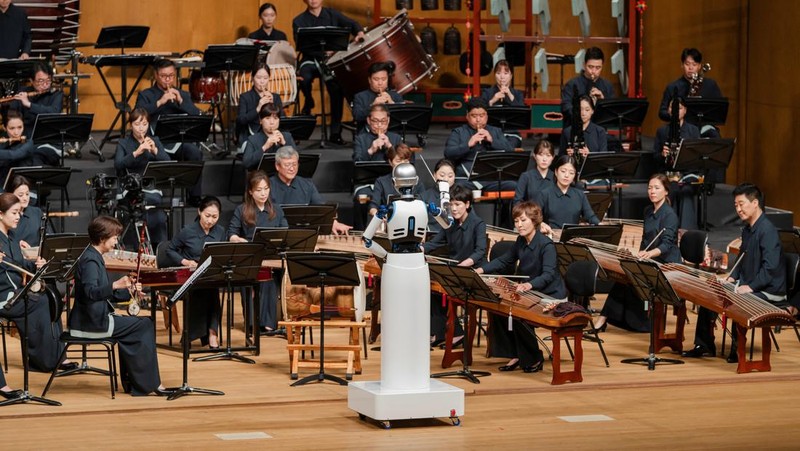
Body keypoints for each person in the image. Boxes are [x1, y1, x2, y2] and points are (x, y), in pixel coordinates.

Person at [69, 215, 173, 396]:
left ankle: (136, 383)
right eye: (114, 237)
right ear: (102, 237)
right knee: (145, 324)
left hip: (95, 317)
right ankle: (149, 385)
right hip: (91, 323)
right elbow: (91, 293)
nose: (117, 241)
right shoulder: (90, 260)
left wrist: (129, 290)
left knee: (139, 326)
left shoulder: (94, 256)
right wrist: (117, 284)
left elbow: (106, 294)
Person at [682, 183, 786, 363]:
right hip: (750, 284)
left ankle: (738, 350)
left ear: (755, 203)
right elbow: (742, 260)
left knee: (737, 299)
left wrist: (750, 287)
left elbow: (770, 269)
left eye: (741, 204)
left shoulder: (768, 231)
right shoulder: (747, 229)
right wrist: (731, 277)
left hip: (770, 290)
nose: (738, 209)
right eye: (735, 205)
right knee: (711, 292)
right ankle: (704, 345)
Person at [476, 201, 565, 373]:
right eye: (516, 221)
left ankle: (534, 358)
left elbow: (548, 275)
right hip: (530, 291)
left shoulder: (546, 245)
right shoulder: (521, 241)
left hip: (550, 294)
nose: (519, 225)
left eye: (523, 220)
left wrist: (528, 284)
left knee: (519, 314)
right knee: (499, 309)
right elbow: (504, 260)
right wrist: (480, 269)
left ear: (534, 220)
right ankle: (515, 354)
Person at [593, 174, 682, 332]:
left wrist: (648, 254)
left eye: (656, 188)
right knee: (624, 274)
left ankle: (612, 319)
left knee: (630, 275)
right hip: (648, 258)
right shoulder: (648, 211)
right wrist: (636, 254)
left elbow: (667, 244)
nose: (652, 191)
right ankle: (606, 318)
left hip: (665, 262)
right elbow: (645, 239)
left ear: (666, 191)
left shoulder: (670, 215)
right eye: (649, 188)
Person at [0, 192, 70, 377]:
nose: (18, 216)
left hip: (16, 292)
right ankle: (41, 360)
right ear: (0, 214)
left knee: (51, 296)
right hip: (4, 297)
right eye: (14, 213)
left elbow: (18, 265)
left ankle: (57, 356)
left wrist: (34, 265)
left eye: (19, 213)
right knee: (38, 302)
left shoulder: (11, 237)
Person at [292, 0, 365, 145]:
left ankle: (335, 133)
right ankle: (309, 100)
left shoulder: (333, 14)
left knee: (336, 88)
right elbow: (302, 45)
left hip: (331, 61)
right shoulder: (299, 20)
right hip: (310, 59)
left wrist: (360, 33)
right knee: (304, 78)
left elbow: (353, 23)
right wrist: (322, 51)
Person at [423, 184, 486, 345]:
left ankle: (454, 333)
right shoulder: (449, 223)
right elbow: (435, 243)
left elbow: (480, 251)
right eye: (451, 204)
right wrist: (418, 248)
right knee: (431, 290)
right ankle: (442, 333)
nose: (454, 208)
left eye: (457, 204)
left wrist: (463, 265)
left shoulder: (478, 223)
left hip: (472, 271)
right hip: (455, 270)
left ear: (467, 204)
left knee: (445, 290)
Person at [134, 59, 203, 204]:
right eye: (164, 76)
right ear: (156, 75)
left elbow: (196, 115)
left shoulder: (182, 94)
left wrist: (181, 102)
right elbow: (137, 115)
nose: (168, 79)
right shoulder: (146, 95)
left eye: (171, 76)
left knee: (194, 152)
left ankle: (194, 196)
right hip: (154, 140)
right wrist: (160, 102)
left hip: (177, 140)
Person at [228, 171, 287, 335]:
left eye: (266, 189)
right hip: (250, 257)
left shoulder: (277, 210)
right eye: (259, 190)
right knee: (256, 277)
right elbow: (232, 233)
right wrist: (238, 240)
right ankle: (253, 323)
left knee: (269, 278)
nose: (263, 193)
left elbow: (285, 232)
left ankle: (268, 324)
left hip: (271, 257)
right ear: (250, 192)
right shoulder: (242, 210)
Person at [165, 196, 225, 348]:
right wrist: (185, 261)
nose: (210, 220)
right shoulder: (188, 231)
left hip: (211, 275)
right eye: (207, 216)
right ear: (199, 211)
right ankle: (194, 334)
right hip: (191, 276)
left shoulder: (220, 231)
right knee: (206, 292)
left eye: (214, 217)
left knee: (212, 290)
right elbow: (170, 250)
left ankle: (212, 334)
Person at [113, 108, 170, 247]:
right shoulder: (123, 143)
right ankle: (143, 245)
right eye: (137, 124)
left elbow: (167, 162)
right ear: (131, 125)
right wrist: (137, 152)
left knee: (156, 207)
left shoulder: (154, 140)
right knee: (148, 202)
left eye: (144, 124)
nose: (141, 128)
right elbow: (118, 165)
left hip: (151, 186)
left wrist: (155, 151)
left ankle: (159, 247)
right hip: (131, 186)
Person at [270, 146, 352, 235]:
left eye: (294, 164)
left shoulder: (306, 184)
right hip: (276, 232)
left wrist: (333, 223)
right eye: (287, 165)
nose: (292, 169)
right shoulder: (268, 186)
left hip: (304, 233)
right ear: (277, 166)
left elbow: (320, 208)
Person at [653, 95, 702, 230]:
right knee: (672, 188)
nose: (675, 111)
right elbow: (655, 157)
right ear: (668, 111)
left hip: (687, 174)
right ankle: (669, 229)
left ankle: (686, 232)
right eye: (672, 108)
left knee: (686, 190)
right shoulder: (662, 131)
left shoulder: (693, 130)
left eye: (679, 108)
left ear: (685, 110)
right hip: (668, 174)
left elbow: (698, 156)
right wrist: (663, 155)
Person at [444, 98, 514, 186]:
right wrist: (468, 144)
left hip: (492, 178)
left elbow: (510, 151)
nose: (478, 120)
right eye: (474, 116)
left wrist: (492, 140)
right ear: (467, 116)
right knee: (458, 188)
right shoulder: (458, 132)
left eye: (481, 116)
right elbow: (448, 153)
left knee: (512, 185)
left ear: (487, 116)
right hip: (467, 178)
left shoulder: (496, 131)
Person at [658, 48, 723, 128]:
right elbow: (662, 112)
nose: (690, 68)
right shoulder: (672, 87)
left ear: (699, 66)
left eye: (694, 64)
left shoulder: (711, 85)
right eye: (687, 64)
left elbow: (720, 110)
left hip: (705, 128)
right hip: (680, 128)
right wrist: (675, 115)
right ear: (682, 65)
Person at [537, 155, 600, 232]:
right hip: (550, 237)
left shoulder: (580, 195)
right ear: (556, 172)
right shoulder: (545, 194)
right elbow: (534, 218)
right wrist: (541, 224)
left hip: (573, 238)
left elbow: (590, 216)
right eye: (563, 171)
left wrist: (600, 224)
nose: (566, 175)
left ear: (574, 176)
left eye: (571, 173)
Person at [560, 47, 615, 125]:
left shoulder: (607, 86)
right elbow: (566, 108)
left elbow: (613, 113)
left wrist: (602, 101)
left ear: (602, 66)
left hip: (600, 130)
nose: (593, 71)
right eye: (590, 67)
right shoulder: (572, 84)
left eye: (598, 68)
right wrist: (583, 113)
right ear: (584, 65)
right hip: (576, 128)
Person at [368, 144, 422, 218]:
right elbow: (373, 205)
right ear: (390, 162)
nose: (402, 164)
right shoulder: (381, 181)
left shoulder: (416, 180)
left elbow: (423, 202)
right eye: (398, 161)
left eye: (406, 161)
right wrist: (378, 215)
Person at [236, 64, 284, 148]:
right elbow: (241, 120)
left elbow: (282, 119)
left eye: (265, 78)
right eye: (258, 78)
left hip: (272, 134)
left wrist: (273, 105)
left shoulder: (275, 97)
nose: (262, 81)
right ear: (252, 78)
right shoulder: (245, 97)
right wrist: (258, 108)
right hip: (250, 136)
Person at [479, 59, 525, 147]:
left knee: (511, 145)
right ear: (494, 75)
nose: (502, 77)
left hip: (511, 133)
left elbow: (522, 115)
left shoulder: (517, 94)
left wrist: (510, 95)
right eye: (498, 73)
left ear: (511, 76)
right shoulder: (487, 92)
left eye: (505, 73)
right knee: (487, 144)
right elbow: (479, 112)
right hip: (491, 132)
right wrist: (492, 100)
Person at [242, 103, 295, 171]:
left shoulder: (287, 136)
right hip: (262, 177)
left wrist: (285, 144)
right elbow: (246, 163)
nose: (272, 122)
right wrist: (265, 147)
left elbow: (297, 160)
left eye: (275, 118)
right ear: (260, 120)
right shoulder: (253, 139)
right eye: (267, 118)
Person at [351, 62, 404, 130]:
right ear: (369, 80)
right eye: (376, 79)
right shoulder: (360, 97)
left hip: (392, 134)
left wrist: (392, 104)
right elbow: (357, 117)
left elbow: (403, 119)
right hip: (367, 136)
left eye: (384, 79)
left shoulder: (396, 96)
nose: (380, 83)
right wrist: (373, 106)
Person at [513, 140, 555, 206]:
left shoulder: (555, 177)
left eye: (548, 155)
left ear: (553, 157)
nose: (544, 159)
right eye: (541, 155)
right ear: (534, 156)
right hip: (530, 214)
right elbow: (517, 202)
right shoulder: (526, 177)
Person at [420, 158, 456, 233]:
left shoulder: (460, 195)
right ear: (434, 175)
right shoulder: (424, 197)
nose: (446, 179)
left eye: (450, 176)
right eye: (442, 175)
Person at [8, 175, 42, 249]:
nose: (25, 198)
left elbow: (46, 237)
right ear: (10, 195)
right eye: (20, 195)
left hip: (35, 256)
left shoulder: (36, 212)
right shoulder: (5, 214)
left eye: (27, 194)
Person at [0, 111, 33, 183]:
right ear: (4, 127)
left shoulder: (28, 143)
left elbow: (14, 154)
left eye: (20, 127)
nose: (16, 132)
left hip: (20, 185)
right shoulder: (2, 141)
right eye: (12, 128)